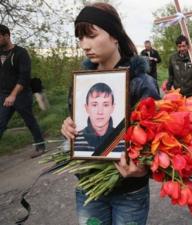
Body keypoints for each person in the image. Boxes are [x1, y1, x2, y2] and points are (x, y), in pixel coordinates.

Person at [60, 3, 160, 225]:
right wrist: (68, 127)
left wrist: (142, 168)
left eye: (91, 36)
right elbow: (78, 123)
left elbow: (157, 138)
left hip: (129, 192)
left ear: (115, 36)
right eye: (80, 38)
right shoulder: (81, 81)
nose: (85, 45)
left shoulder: (141, 82)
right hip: (88, 187)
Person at [0, 24, 46, 158]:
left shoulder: (21, 53)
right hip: (3, 95)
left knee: (29, 121)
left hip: (21, 94)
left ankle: (41, 146)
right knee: (0, 123)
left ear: (6, 36)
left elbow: (24, 77)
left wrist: (13, 95)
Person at [74, 83, 125, 153]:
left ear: (112, 108)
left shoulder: (123, 139)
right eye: (94, 105)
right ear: (87, 108)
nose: (100, 112)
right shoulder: (74, 139)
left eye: (105, 105)